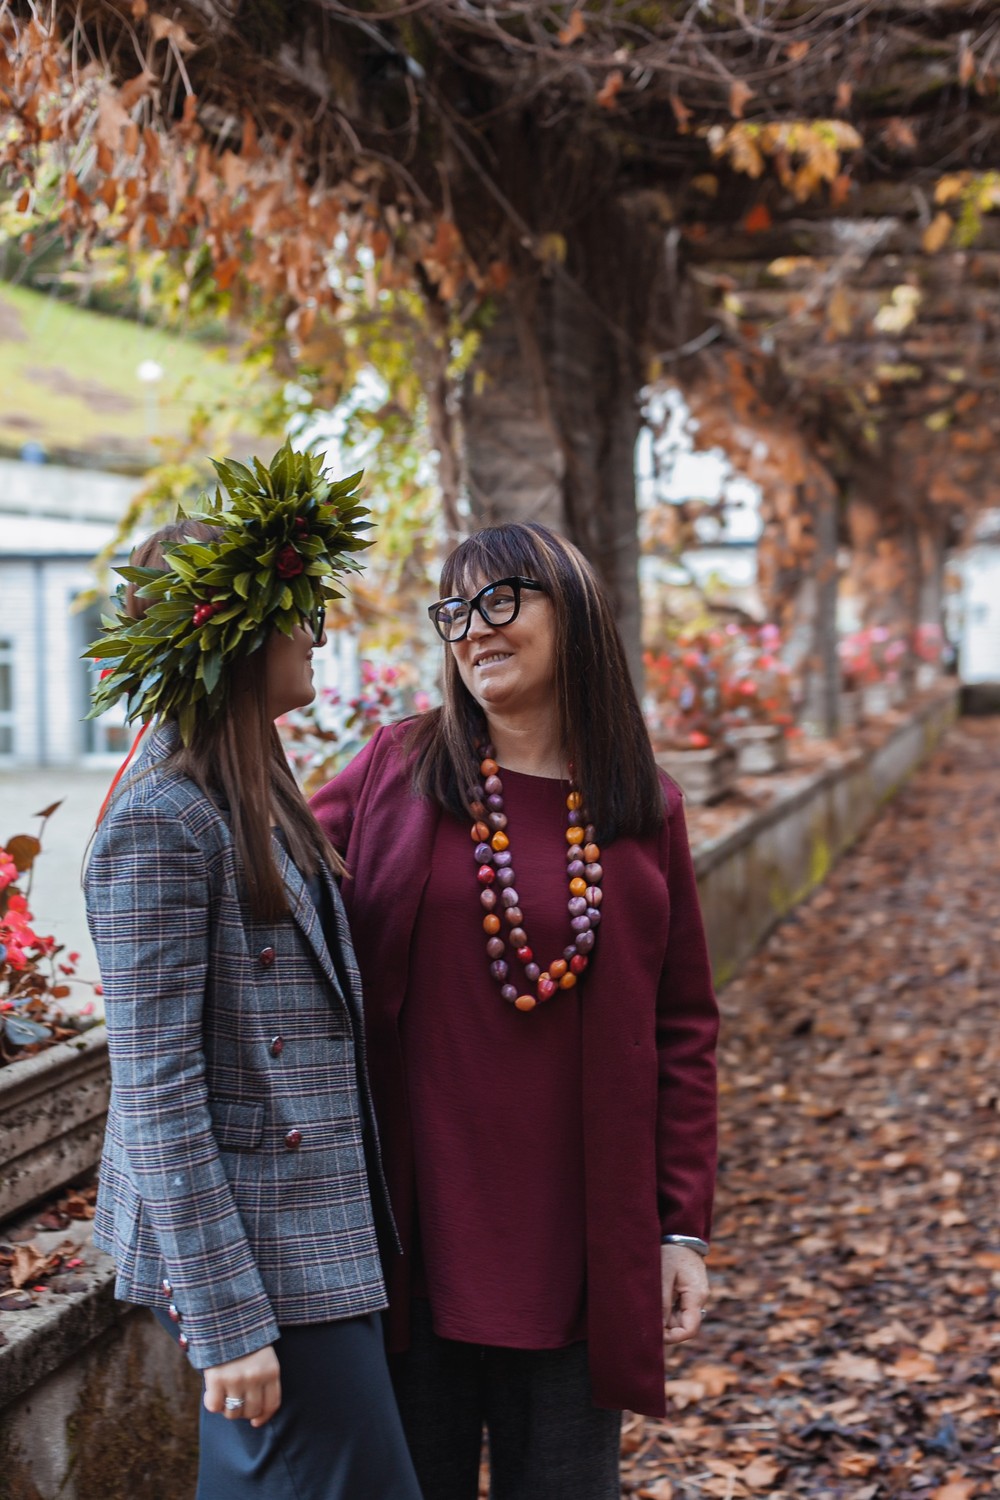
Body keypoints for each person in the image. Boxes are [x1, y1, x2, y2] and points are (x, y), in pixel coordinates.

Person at [311, 522, 720, 1500]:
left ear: (570, 612)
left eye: (501, 601)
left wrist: (680, 1229)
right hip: (414, 1241)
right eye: (455, 611)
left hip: (580, 1252)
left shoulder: (640, 806)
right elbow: (261, 873)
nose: (473, 630)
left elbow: (683, 1029)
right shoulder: (394, 772)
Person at [83, 445, 423, 1500]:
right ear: (230, 637)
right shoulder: (161, 821)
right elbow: (158, 1092)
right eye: (296, 608)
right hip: (258, 1269)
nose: (317, 631)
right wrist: (230, 1323)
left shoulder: (255, 791)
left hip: (313, 1237)